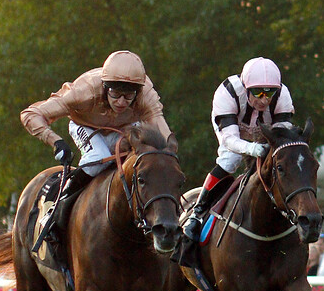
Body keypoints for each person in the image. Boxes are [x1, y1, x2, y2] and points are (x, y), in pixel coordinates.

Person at [21, 50, 173, 233]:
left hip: (125, 127)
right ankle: (57, 208)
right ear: (105, 87)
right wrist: (55, 141)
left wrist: (169, 154)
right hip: (86, 126)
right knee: (98, 157)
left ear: (138, 92)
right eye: (116, 94)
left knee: (146, 162)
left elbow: (160, 126)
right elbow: (30, 114)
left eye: (128, 95)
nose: (121, 102)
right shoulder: (83, 92)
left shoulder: (145, 94)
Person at [183, 57, 295, 241]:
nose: (264, 99)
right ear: (246, 88)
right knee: (230, 160)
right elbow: (230, 140)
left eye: (270, 92)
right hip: (234, 125)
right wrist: (253, 148)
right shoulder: (227, 92)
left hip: (264, 126)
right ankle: (197, 212)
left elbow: (283, 132)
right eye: (258, 92)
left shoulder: (283, 95)